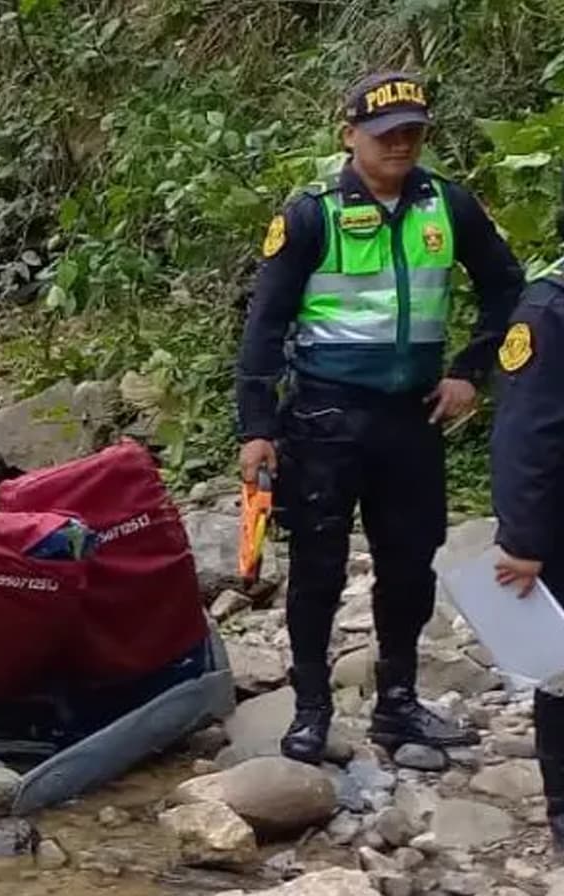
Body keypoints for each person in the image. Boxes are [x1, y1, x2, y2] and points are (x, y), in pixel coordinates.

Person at [234, 72, 525, 764]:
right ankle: (310, 710)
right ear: (350, 137)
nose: (400, 144)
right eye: (386, 134)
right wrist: (255, 428)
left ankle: (398, 704)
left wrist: (469, 371)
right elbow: (265, 323)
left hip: (412, 418)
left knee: (408, 566)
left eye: (412, 133)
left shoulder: (445, 205)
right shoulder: (313, 214)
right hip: (323, 418)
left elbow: (505, 287)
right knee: (317, 569)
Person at [490, 168, 564, 851]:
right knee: (563, 670)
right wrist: (523, 537)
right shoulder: (549, 310)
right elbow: (526, 437)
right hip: (560, 522)